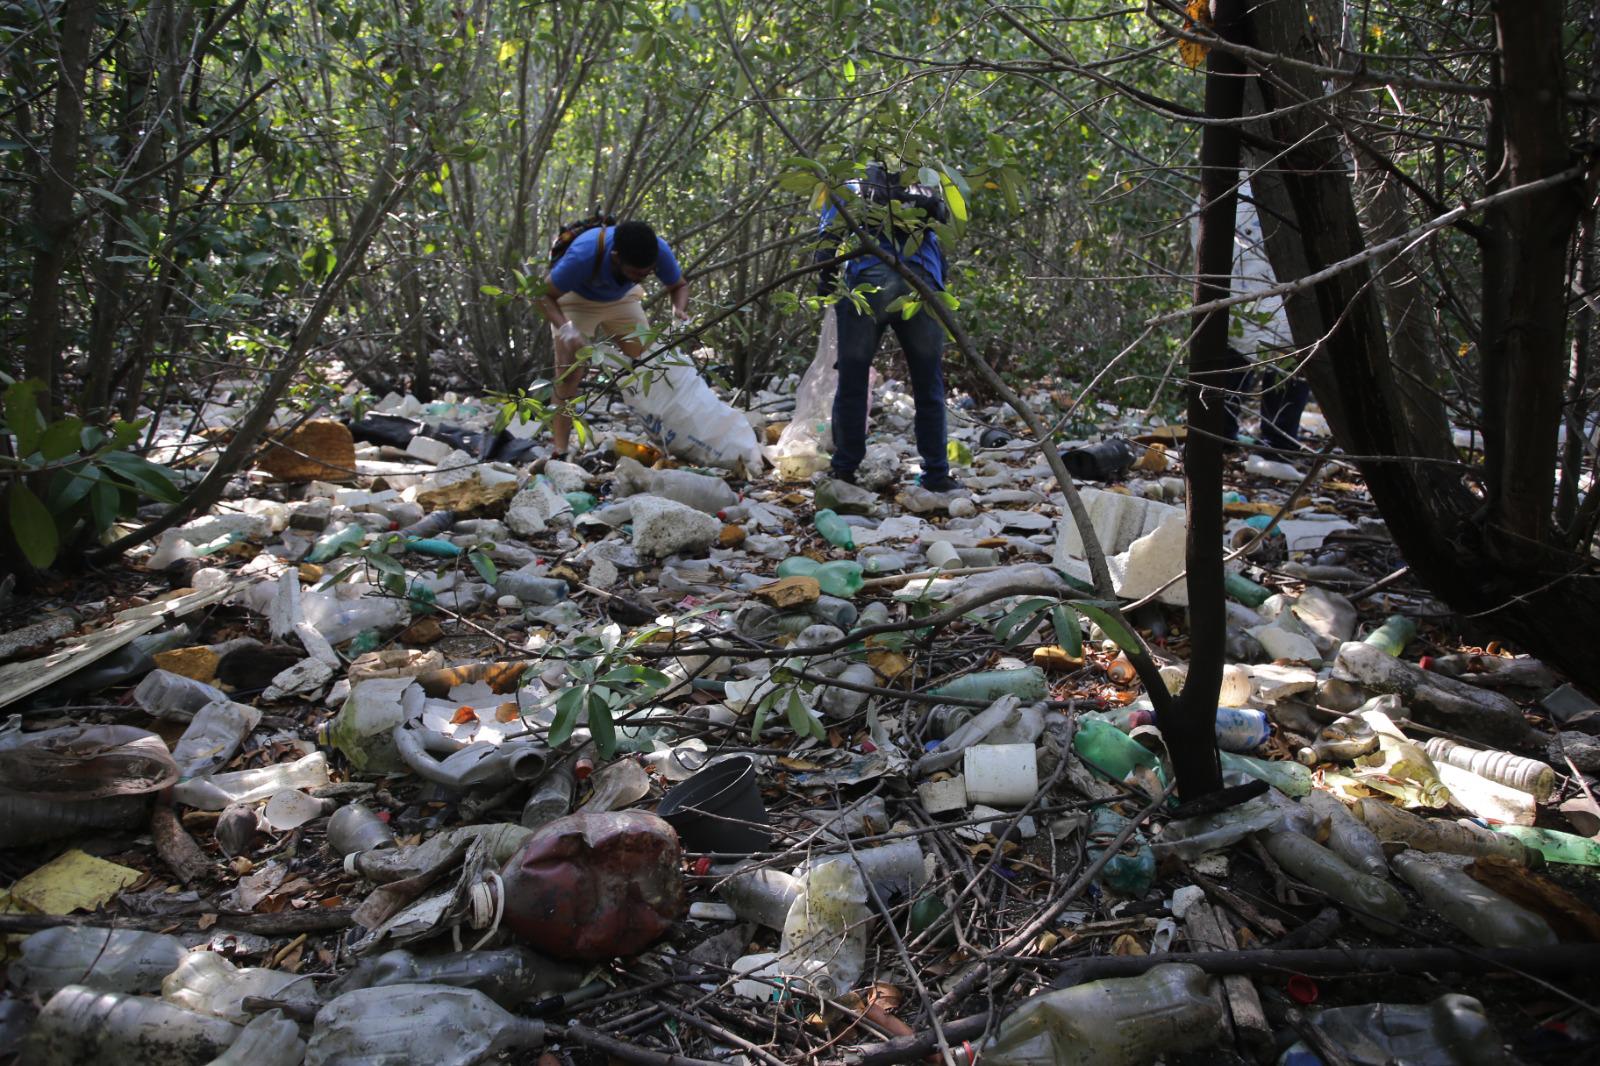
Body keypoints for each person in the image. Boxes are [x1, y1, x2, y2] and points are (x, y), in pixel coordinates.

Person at [815, 164, 959, 492]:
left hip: (868, 280)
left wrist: (827, 288)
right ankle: (937, 474)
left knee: (852, 381)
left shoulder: (847, 185)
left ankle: (845, 470)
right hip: (922, 282)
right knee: (928, 386)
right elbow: (941, 238)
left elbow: (828, 241)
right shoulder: (926, 185)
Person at [540, 219, 689, 456]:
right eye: (636, 273)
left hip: (621, 298)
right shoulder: (583, 256)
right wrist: (566, 329)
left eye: (647, 273)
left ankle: (675, 439)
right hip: (575, 299)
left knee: (649, 361)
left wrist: (678, 310)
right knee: (568, 375)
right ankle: (560, 449)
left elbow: (678, 286)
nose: (641, 277)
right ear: (616, 257)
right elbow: (542, 295)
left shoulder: (658, 251)